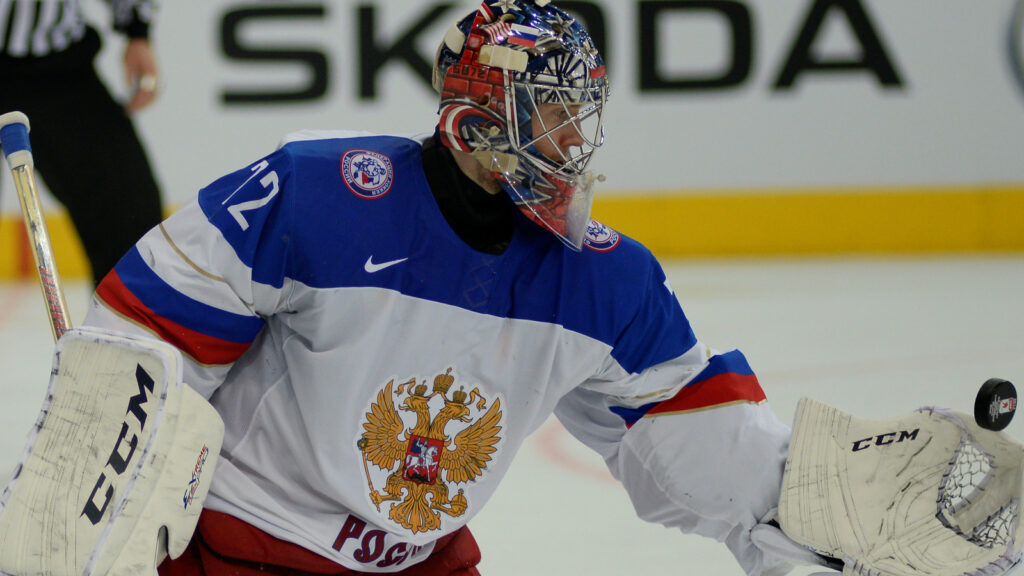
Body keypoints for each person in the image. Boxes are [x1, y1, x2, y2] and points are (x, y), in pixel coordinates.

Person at [82, 1, 805, 574]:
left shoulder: (603, 277)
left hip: (422, 560)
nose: (573, 141)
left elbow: (698, 438)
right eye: (552, 115)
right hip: (248, 547)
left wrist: (807, 505)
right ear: (473, 127)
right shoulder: (318, 197)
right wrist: (91, 483)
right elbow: (151, 327)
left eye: (580, 114)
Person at [0, 0, 164, 285]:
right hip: (52, 68)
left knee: (129, 223)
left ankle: (119, 315)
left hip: (57, 69)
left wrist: (136, 28)